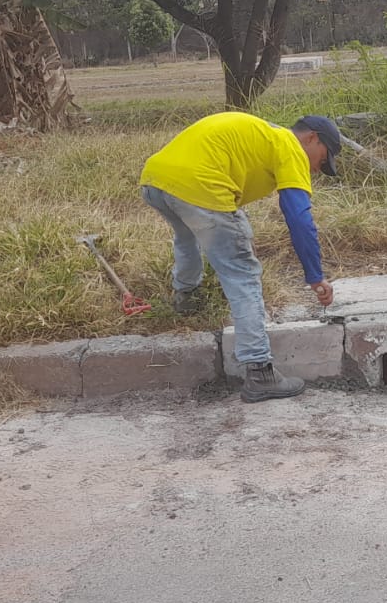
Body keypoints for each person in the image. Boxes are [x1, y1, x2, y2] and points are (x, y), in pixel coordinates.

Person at [139, 112, 342, 403]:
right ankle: (260, 371)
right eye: (322, 160)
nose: (317, 170)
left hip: (156, 180)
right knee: (242, 273)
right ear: (311, 138)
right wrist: (314, 275)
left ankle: (187, 299)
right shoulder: (289, 145)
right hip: (200, 182)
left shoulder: (264, 136)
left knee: (187, 236)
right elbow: (299, 218)